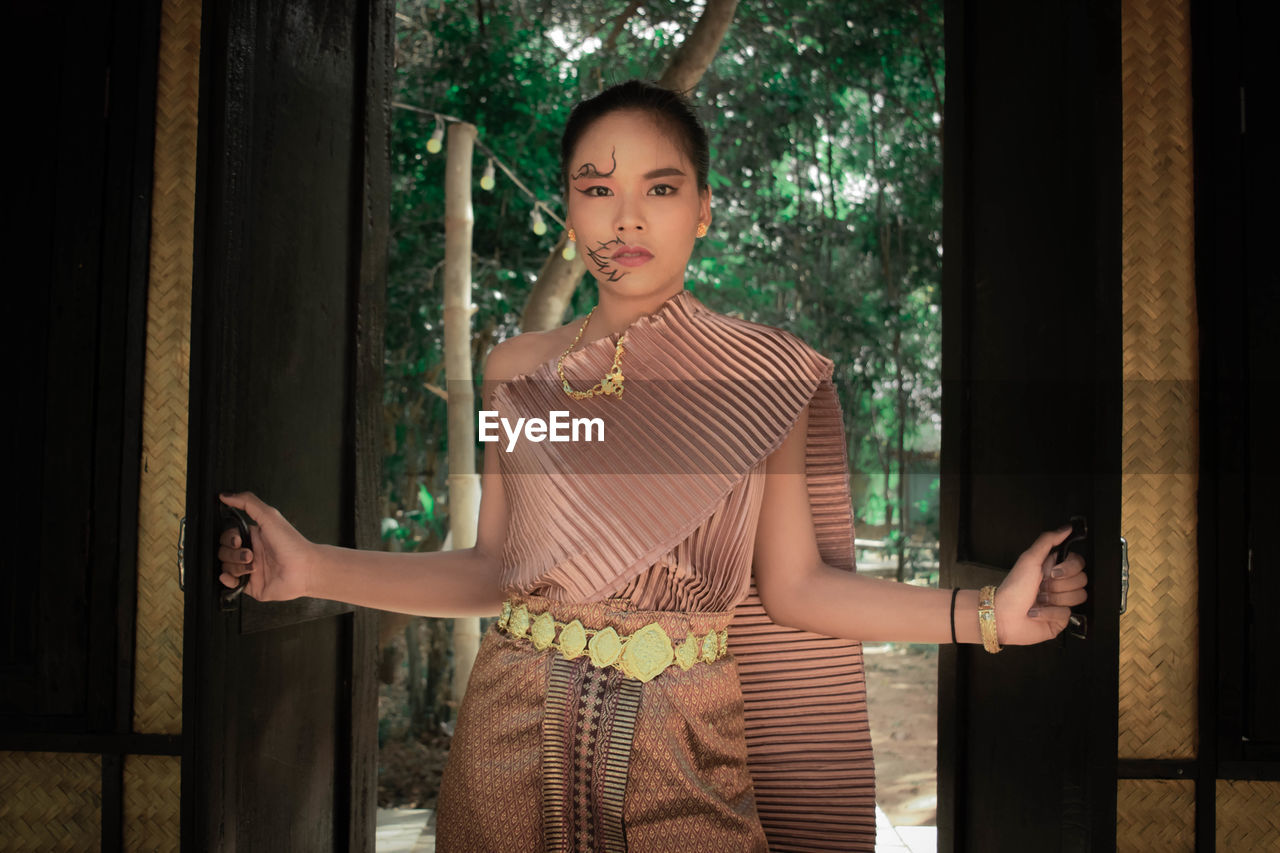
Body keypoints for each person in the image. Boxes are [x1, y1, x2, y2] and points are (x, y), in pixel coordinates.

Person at [217, 79, 1088, 852]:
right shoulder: (515, 369)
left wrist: (987, 618)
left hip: (688, 748)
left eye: (659, 189)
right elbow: (492, 571)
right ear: (569, 208)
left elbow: (796, 589)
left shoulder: (762, 376)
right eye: (596, 190)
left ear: (703, 208)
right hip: (508, 735)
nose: (624, 218)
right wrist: (308, 567)